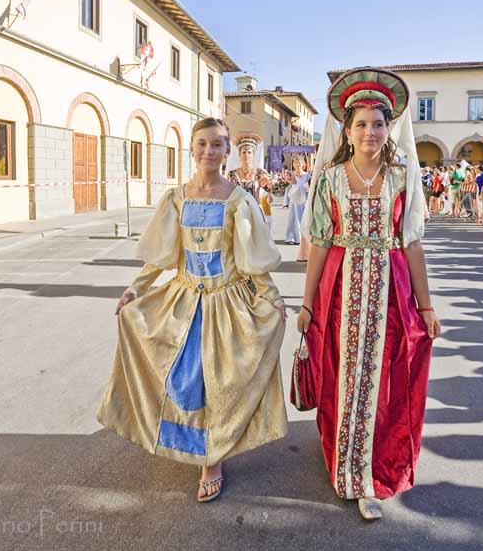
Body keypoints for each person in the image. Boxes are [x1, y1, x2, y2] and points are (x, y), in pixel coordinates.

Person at [97, 118, 288, 503]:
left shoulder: (239, 201)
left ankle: (211, 460)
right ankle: (185, 443)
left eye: (217, 144)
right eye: (202, 144)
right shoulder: (176, 198)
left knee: (217, 384)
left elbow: (251, 261)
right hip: (182, 301)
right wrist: (136, 289)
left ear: (227, 150)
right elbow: (162, 257)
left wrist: (273, 299)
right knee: (184, 383)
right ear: (192, 149)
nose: (209, 152)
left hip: (226, 304)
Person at [298, 68, 436, 521]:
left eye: (378, 124)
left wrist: (426, 304)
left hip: (390, 291)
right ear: (347, 129)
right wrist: (306, 302)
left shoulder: (401, 176)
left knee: (385, 381)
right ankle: (347, 467)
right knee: (343, 377)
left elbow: (411, 241)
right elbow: (320, 241)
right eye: (361, 124)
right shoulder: (332, 178)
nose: (370, 131)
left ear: (389, 128)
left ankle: (371, 474)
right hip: (340, 289)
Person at [225, 132, 265, 199]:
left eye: (249, 152)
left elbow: (268, 192)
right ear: (239, 155)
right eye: (243, 152)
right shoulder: (232, 174)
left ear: (253, 155)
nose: (246, 155)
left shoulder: (260, 173)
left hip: (255, 207)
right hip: (237, 207)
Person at [286, 156, 311, 253]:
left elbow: (309, 187)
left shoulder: (307, 175)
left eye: (299, 162)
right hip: (294, 199)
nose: (298, 164)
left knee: (303, 218)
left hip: (304, 199)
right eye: (296, 163)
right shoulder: (292, 175)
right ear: (293, 164)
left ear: (303, 164)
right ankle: (292, 237)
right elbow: (288, 189)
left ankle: (303, 237)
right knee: (293, 218)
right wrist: (286, 202)